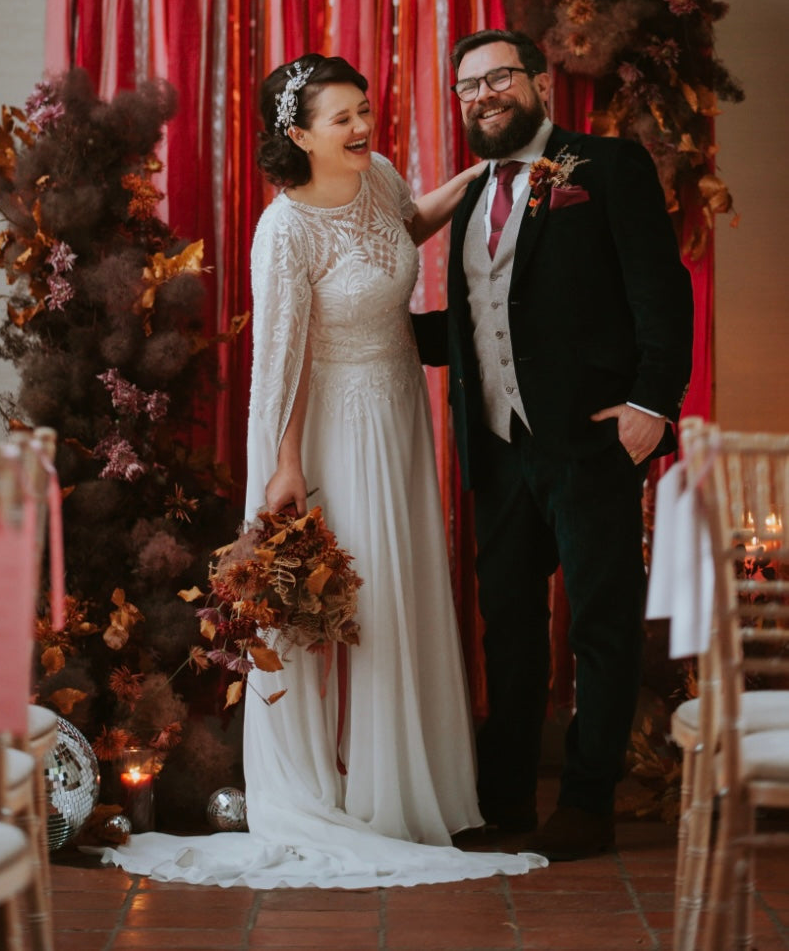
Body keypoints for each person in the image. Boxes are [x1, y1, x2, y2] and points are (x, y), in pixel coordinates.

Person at [101, 53, 545, 888]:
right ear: (296, 135)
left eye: (365, 110)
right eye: (342, 118)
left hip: (400, 411)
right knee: (344, 603)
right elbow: (283, 360)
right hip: (331, 423)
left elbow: (405, 226)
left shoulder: (376, 175)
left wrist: (486, 173)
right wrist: (285, 467)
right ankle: (329, 791)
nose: (362, 127)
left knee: (399, 588)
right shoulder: (285, 230)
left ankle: (407, 793)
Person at [413, 29, 694, 862]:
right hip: (496, 446)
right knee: (507, 626)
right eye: (467, 86)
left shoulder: (605, 167)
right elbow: (473, 321)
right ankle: (505, 801)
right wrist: (370, 329)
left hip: (590, 440)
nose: (484, 95)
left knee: (601, 623)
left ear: (538, 81)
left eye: (499, 77)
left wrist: (654, 402)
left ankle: (586, 800)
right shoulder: (467, 197)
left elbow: (660, 288)